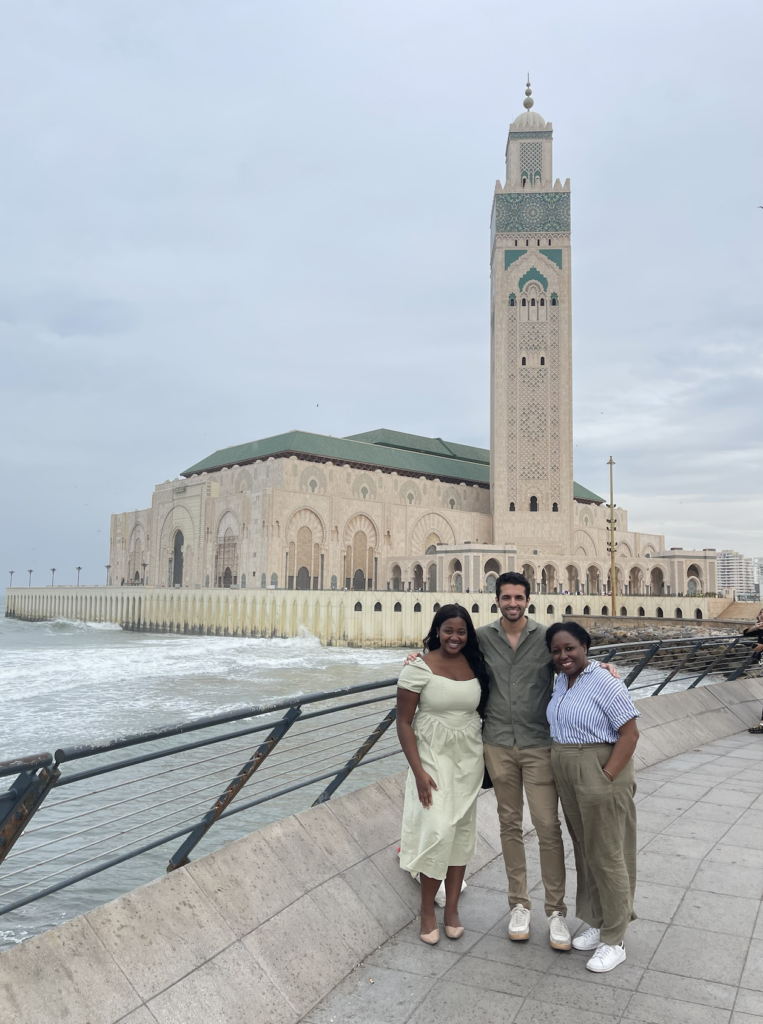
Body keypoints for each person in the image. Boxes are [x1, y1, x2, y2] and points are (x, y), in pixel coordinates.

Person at [545, 621, 640, 973]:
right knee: (585, 850)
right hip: (567, 769)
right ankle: (599, 921)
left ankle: (615, 939)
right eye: (556, 650)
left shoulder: (604, 679)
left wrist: (607, 777)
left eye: (570, 648)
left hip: (599, 767)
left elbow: (629, 734)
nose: (563, 655)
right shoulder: (561, 680)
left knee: (609, 852)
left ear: (585, 647)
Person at [397, 604, 489, 945]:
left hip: (468, 759)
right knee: (438, 830)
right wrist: (418, 771)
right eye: (448, 630)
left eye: (461, 631)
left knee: (461, 833)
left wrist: (600, 666)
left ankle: (451, 909)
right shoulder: (417, 668)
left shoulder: (478, 663)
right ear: (437, 631)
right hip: (432, 758)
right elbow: (403, 722)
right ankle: (426, 911)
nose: (454, 637)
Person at [744, 610, 763, 734]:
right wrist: (754, 627)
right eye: (761, 613)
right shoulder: (760, 627)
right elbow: (745, 634)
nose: (762, 615)